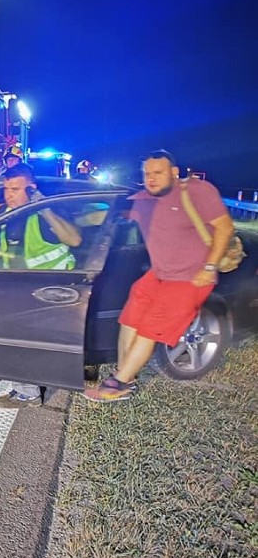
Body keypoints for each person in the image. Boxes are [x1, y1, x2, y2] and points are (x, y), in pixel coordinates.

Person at [83, 150, 234, 402]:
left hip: (190, 277)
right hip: (159, 274)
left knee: (150, 328)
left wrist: (209, 267)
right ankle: (125, 375)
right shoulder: (144, 200)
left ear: (174, 173)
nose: (151, 178)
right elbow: (105, 216)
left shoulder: (196, 191)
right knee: (130, 318)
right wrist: (70, 214)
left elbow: (224, 227)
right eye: (147, 174)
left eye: (158, 173)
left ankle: (118, 385)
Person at [0, 163, 82, 408]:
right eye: (6, 189)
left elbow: (74, 239)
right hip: (19, 287)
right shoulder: (7, 214)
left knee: (11, 331)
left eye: (15, 189)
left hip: (54, 290)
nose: (8, 195)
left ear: (32, 189)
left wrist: (44, 207)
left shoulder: (46, 215)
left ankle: (26, 392)